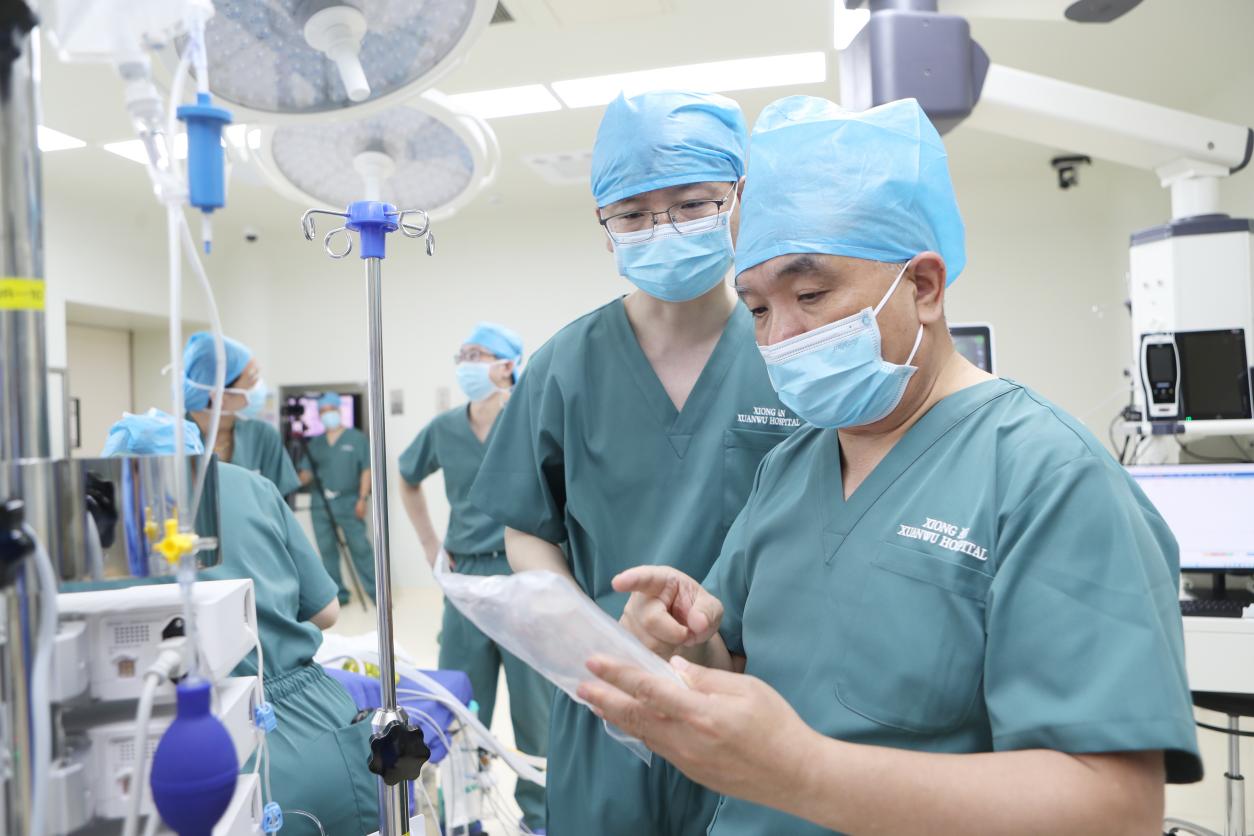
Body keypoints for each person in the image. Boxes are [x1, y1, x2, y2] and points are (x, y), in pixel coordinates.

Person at [577, 96, 1202, 835]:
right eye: (759, 310)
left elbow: (1116, 808)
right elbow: (748, 667)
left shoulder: (1050, 478)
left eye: (811, 294)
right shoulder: (791, 468)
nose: (781, 337)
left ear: (924, 286)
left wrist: (806, 773)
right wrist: (688, 639)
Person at [469, 90, 798, 835]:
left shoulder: (790, 358)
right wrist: (593, 639)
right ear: (603, 225)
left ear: (739, 198)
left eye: (691, 204)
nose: (663, 229)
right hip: (612, 693)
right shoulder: (565, 365)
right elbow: (526, 527)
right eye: (634, 214)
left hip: (756, 693)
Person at [103, 410, 378, 836]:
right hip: (318, 728)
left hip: (203, 742)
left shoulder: (104, 512)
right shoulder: (249, 485)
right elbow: (326, 610)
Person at [398, 322, 553, 834]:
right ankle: (463, 820)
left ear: (507, 366)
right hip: (465, 578)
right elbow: (406, 475)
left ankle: (539, 817)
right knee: (460, 707)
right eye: (462, 354)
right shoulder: (445, 428)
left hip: (521, 574)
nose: (466, 363)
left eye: (478, 354)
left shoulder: (529, 418)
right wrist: (429, 543)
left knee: (536, 712)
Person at [183, 331, 300, 497]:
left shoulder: (262, 436)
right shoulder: (174, 441)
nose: (259, 388)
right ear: (220, 396)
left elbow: (280, 505)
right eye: (252, 381)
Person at [299, 393, 376, 605]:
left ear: (339, 410)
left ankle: (376, 592)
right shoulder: (315, 443)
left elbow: (366, 470)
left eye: (330, 410)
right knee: (327, 551)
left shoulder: (356, 439)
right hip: (320, 504)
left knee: (361, 548)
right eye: (322, 411)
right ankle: (339, 596)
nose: (327, 415)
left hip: (349, 502)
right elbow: (305, 475)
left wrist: (362, 498)